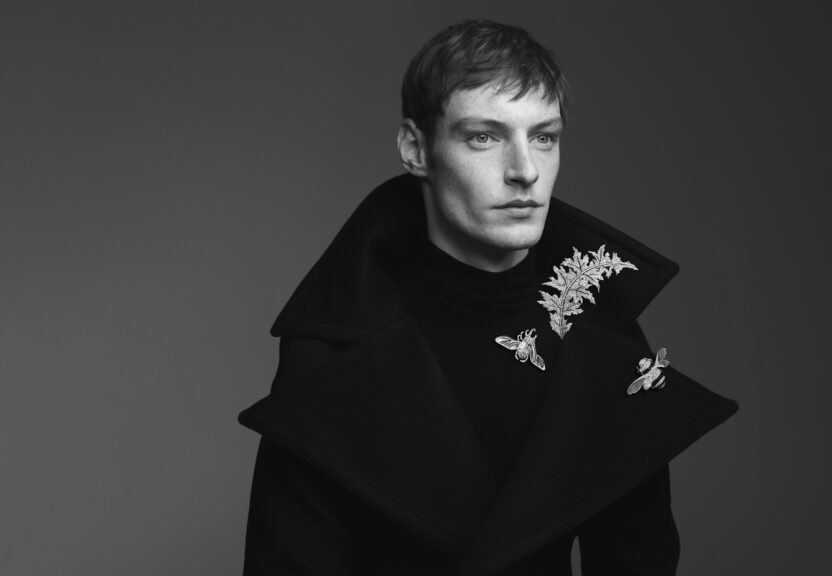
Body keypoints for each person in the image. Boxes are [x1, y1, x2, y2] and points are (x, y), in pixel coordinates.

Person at [237, 19, 738, 576]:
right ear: (416, 149)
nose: (525, 172)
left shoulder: (602, 338)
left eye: (544, 137)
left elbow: (638, 559)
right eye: (484, 137)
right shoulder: (335, 352)